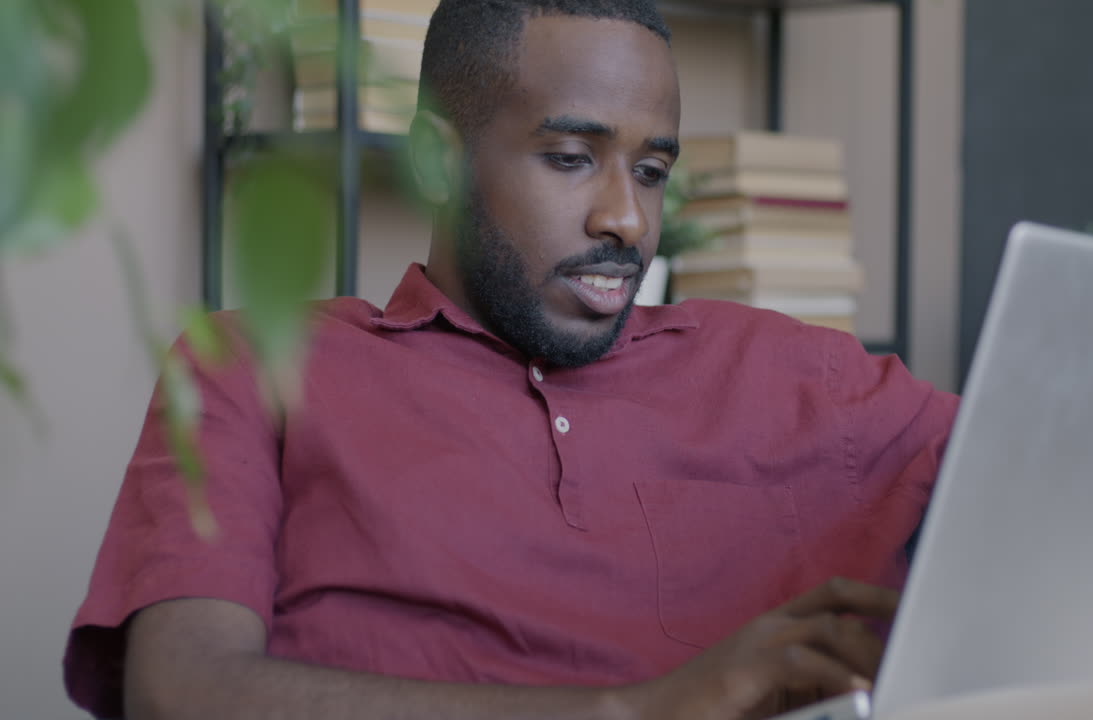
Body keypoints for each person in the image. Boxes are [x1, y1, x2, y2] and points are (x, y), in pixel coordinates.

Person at [63, 2, 958, 719]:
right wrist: (635, 712)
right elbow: (183, 692)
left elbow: (1056, 470)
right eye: (571, 158)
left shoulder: (798, 377)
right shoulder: (254, 369)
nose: (628, 221)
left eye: (651, 171)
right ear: (435, 161)